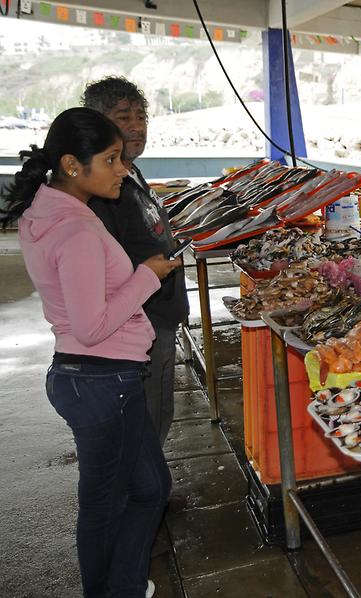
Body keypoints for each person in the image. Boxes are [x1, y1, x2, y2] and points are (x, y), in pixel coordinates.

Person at [1, 107, 180, 597]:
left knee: (150, 489)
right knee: (105, 503)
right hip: (101, 381)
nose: (122, 169)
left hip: (102, 377)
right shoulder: (77, 229)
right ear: (73, 165)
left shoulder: (47, 210)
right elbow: (92, 324)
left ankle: (123, 583)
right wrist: (148, 275)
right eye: (111, 159)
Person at [83, 76, 189, 447]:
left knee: (158, 408)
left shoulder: (131, 171)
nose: (136, 126)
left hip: (158, 312)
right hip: (141, 318)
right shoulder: (101, 187)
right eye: (123, 116)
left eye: (141, 116)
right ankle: (144, 496)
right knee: (146, 413)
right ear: (97, 124)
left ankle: (146, 486)